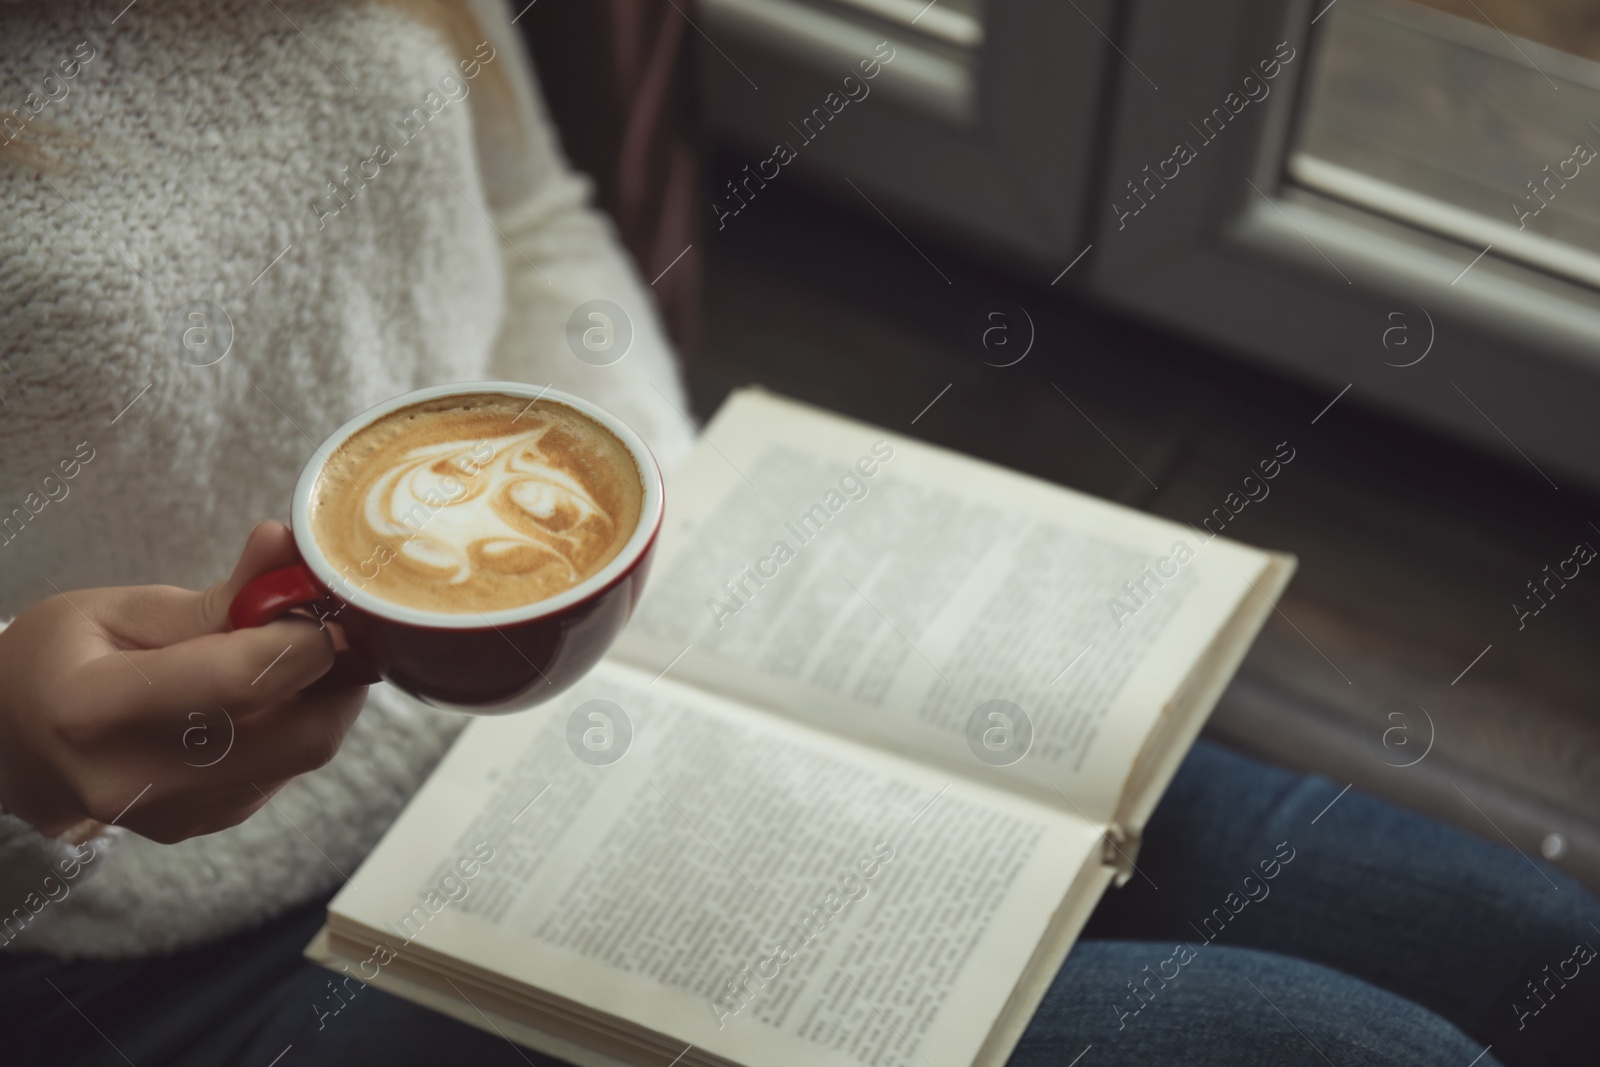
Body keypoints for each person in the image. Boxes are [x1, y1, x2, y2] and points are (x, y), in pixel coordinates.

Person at [0, 3, 1595, 1066]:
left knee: (1545, 946)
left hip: (643, 680)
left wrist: (625, 531)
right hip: (182, 951)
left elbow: (528, 214)